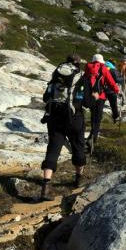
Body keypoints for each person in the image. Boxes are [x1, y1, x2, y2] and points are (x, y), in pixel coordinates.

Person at [40, 54, 86, 201]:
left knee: (53, 149)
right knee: (78, 146)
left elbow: (46, 98)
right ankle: (78, 179)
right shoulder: (80, 76)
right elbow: (87, 101)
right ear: (78, 64)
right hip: (74, 118)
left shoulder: (56, 73)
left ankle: (45, 186)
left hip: (54, 116)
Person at [85, 54, 119, 148]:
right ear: (101, 61)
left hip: (91, 96)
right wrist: (116, 90)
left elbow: (85, 80)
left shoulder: (88, 67)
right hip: (101, 96)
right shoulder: (104, 68)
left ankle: (92, 135)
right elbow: (111, 82)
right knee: (98, 117)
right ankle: (93, 137)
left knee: (93, 116)